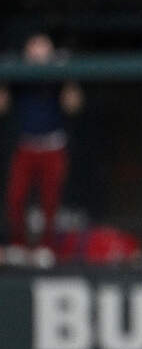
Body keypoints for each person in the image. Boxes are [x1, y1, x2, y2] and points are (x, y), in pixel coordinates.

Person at [0, 32, 83, 269]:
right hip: (26, 145)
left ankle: (47, 247)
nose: (37, 52)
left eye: (42, 47)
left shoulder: (57, 75)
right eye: (33, 47)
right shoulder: (20, 75)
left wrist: (68, 77)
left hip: (53, 145)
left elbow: (73, 105)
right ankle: (18, 245)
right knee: (15, 197)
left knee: (49, 201)